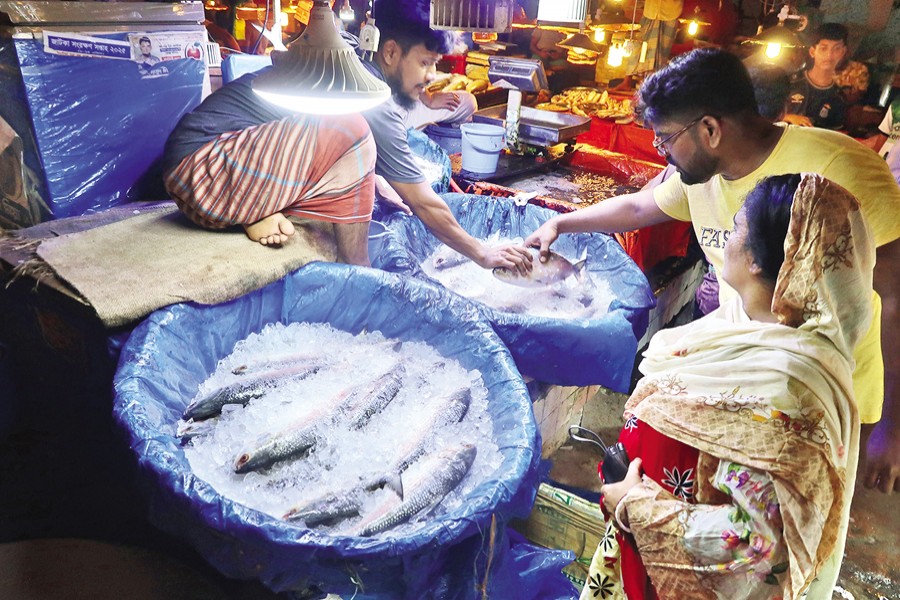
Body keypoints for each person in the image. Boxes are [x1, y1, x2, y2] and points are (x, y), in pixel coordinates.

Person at [524, 48, 900, 494]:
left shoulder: (839, 168)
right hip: (744, 372)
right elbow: (639, 204)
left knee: (793, 520)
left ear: (710, 129)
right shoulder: (700, 174)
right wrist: (560, 222)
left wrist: (892, 429)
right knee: (719, 508)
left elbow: (895, 296)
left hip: (824, 392)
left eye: (665, 138)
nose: (661, 151)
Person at [581, 172, 874, 599]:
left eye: (736, 227)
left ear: (757, 261)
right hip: (639, 560)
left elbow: (758, 547)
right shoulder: (740, 326)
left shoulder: (790, 387)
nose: (725, 240)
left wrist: (636, 505)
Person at [357, 0, 532, 273]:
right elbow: (424, 203)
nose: (431, 76)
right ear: (390, 52)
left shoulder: (358, 56)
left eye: (435, 63)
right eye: (425, 63)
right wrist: (483, 253)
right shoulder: (379, 106)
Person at [161, 71, 376, 266]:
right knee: (352, 129)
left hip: (198, 190)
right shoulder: (339, 82)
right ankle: (355, 263)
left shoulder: (310, 75)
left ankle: (254, 212)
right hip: (202, 167)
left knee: (343, 152)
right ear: (390, 53)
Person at [783, 23, 850, 129]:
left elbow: (833, 135)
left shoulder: (838, 97)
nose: (829, 55)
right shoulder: (789, 82)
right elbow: (764, 115)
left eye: (836, 49)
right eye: (823, 48)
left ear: (843, 52)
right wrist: (788, 117)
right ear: (812, 51)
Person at [610, 0, 684, 93]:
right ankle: (627, 81)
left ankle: (651, 85)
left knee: (660, 54)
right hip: (650, 11)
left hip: (670, 12)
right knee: (638, 45)